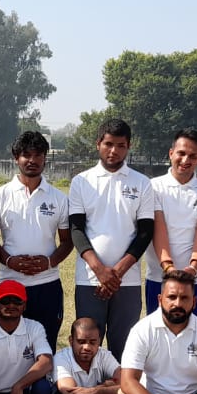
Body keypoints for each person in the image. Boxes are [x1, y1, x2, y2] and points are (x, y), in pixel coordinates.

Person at [68, 118, 156, 360]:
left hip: (126, 282)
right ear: (98, 144)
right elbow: (76, 229)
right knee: (88, 348)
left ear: (129, 146)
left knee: (124, 348)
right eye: (108, 144)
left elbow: (146, 232)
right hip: (89, 279)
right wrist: (99, 270)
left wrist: (116, 273)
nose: (113, 151)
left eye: (120, 145)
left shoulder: (142, 183)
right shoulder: (81, 181)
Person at [0, 131, 73, 350]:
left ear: (45, 158)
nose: (32, 160)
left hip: (47, 284)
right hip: (9, 282)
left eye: (38, 155)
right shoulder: (0, 195)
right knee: (5, 348)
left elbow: (66, 241)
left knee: (45, 346)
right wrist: (9, 261)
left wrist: (49, 262)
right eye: (26, 154)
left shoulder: (59, 198)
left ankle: (44, 385)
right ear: (16, 157)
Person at [147, 128, 197, 317]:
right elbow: (158, 226)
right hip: (159, 277)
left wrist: (194, 267)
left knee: (195, 336)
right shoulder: (153, 186)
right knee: (159, 334)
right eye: (181, 153)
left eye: (193, 156)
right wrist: (168, 268)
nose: (186, 160)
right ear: (171, 153)